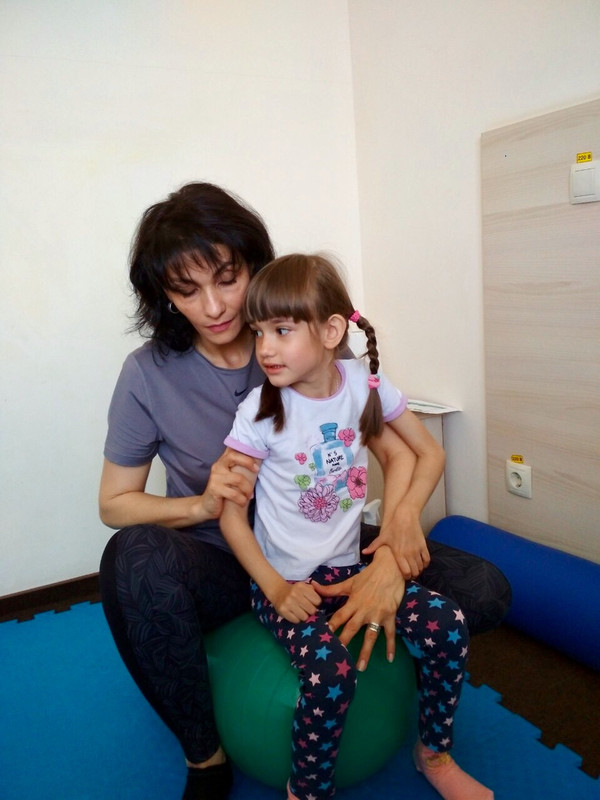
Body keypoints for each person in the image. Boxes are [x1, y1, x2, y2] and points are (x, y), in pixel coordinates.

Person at [98, 182, 510, 800]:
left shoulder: (310, 346)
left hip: (332, 543)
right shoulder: (148, 375)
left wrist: (392, 555)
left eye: (227, 279)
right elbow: (115, 503)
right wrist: (203, 505)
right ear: (165, 296)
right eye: (186, 290)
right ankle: (205, 758)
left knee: (484, 588)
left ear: (255, 265)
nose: (213, 306)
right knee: (131, 558)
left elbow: (402, 452)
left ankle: (427, 738)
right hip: (225, 558)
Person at [220, 253, 494, 800]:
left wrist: (400, 520)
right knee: (332, 678)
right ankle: (307, 790)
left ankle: (433, 753)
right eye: (258, 332)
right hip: (287, 583)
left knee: (448, 624)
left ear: (330, 332)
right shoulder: (258, 411)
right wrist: (275, 589)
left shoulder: (363, 386)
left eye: (281, 330)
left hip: (350, 571)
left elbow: (426, 453)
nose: (264, 348)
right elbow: (230, 514)